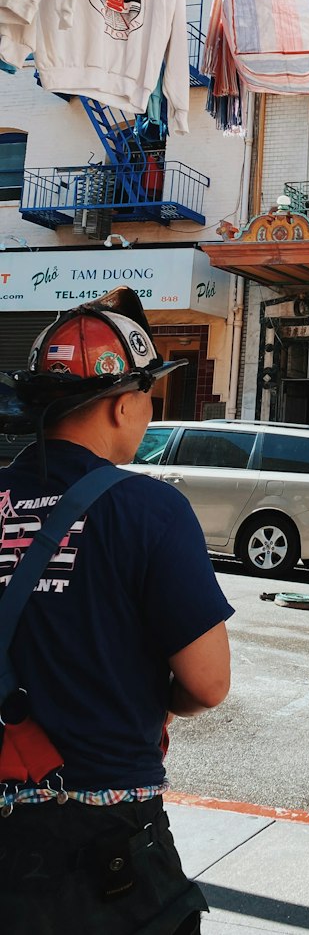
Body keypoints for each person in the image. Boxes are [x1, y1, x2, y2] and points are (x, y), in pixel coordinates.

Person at [0, 287, 233, 934]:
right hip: (108, 852)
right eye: (148, 400)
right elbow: (208, 682)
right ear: (122, 403)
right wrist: (160, 695)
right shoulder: (151, 510)